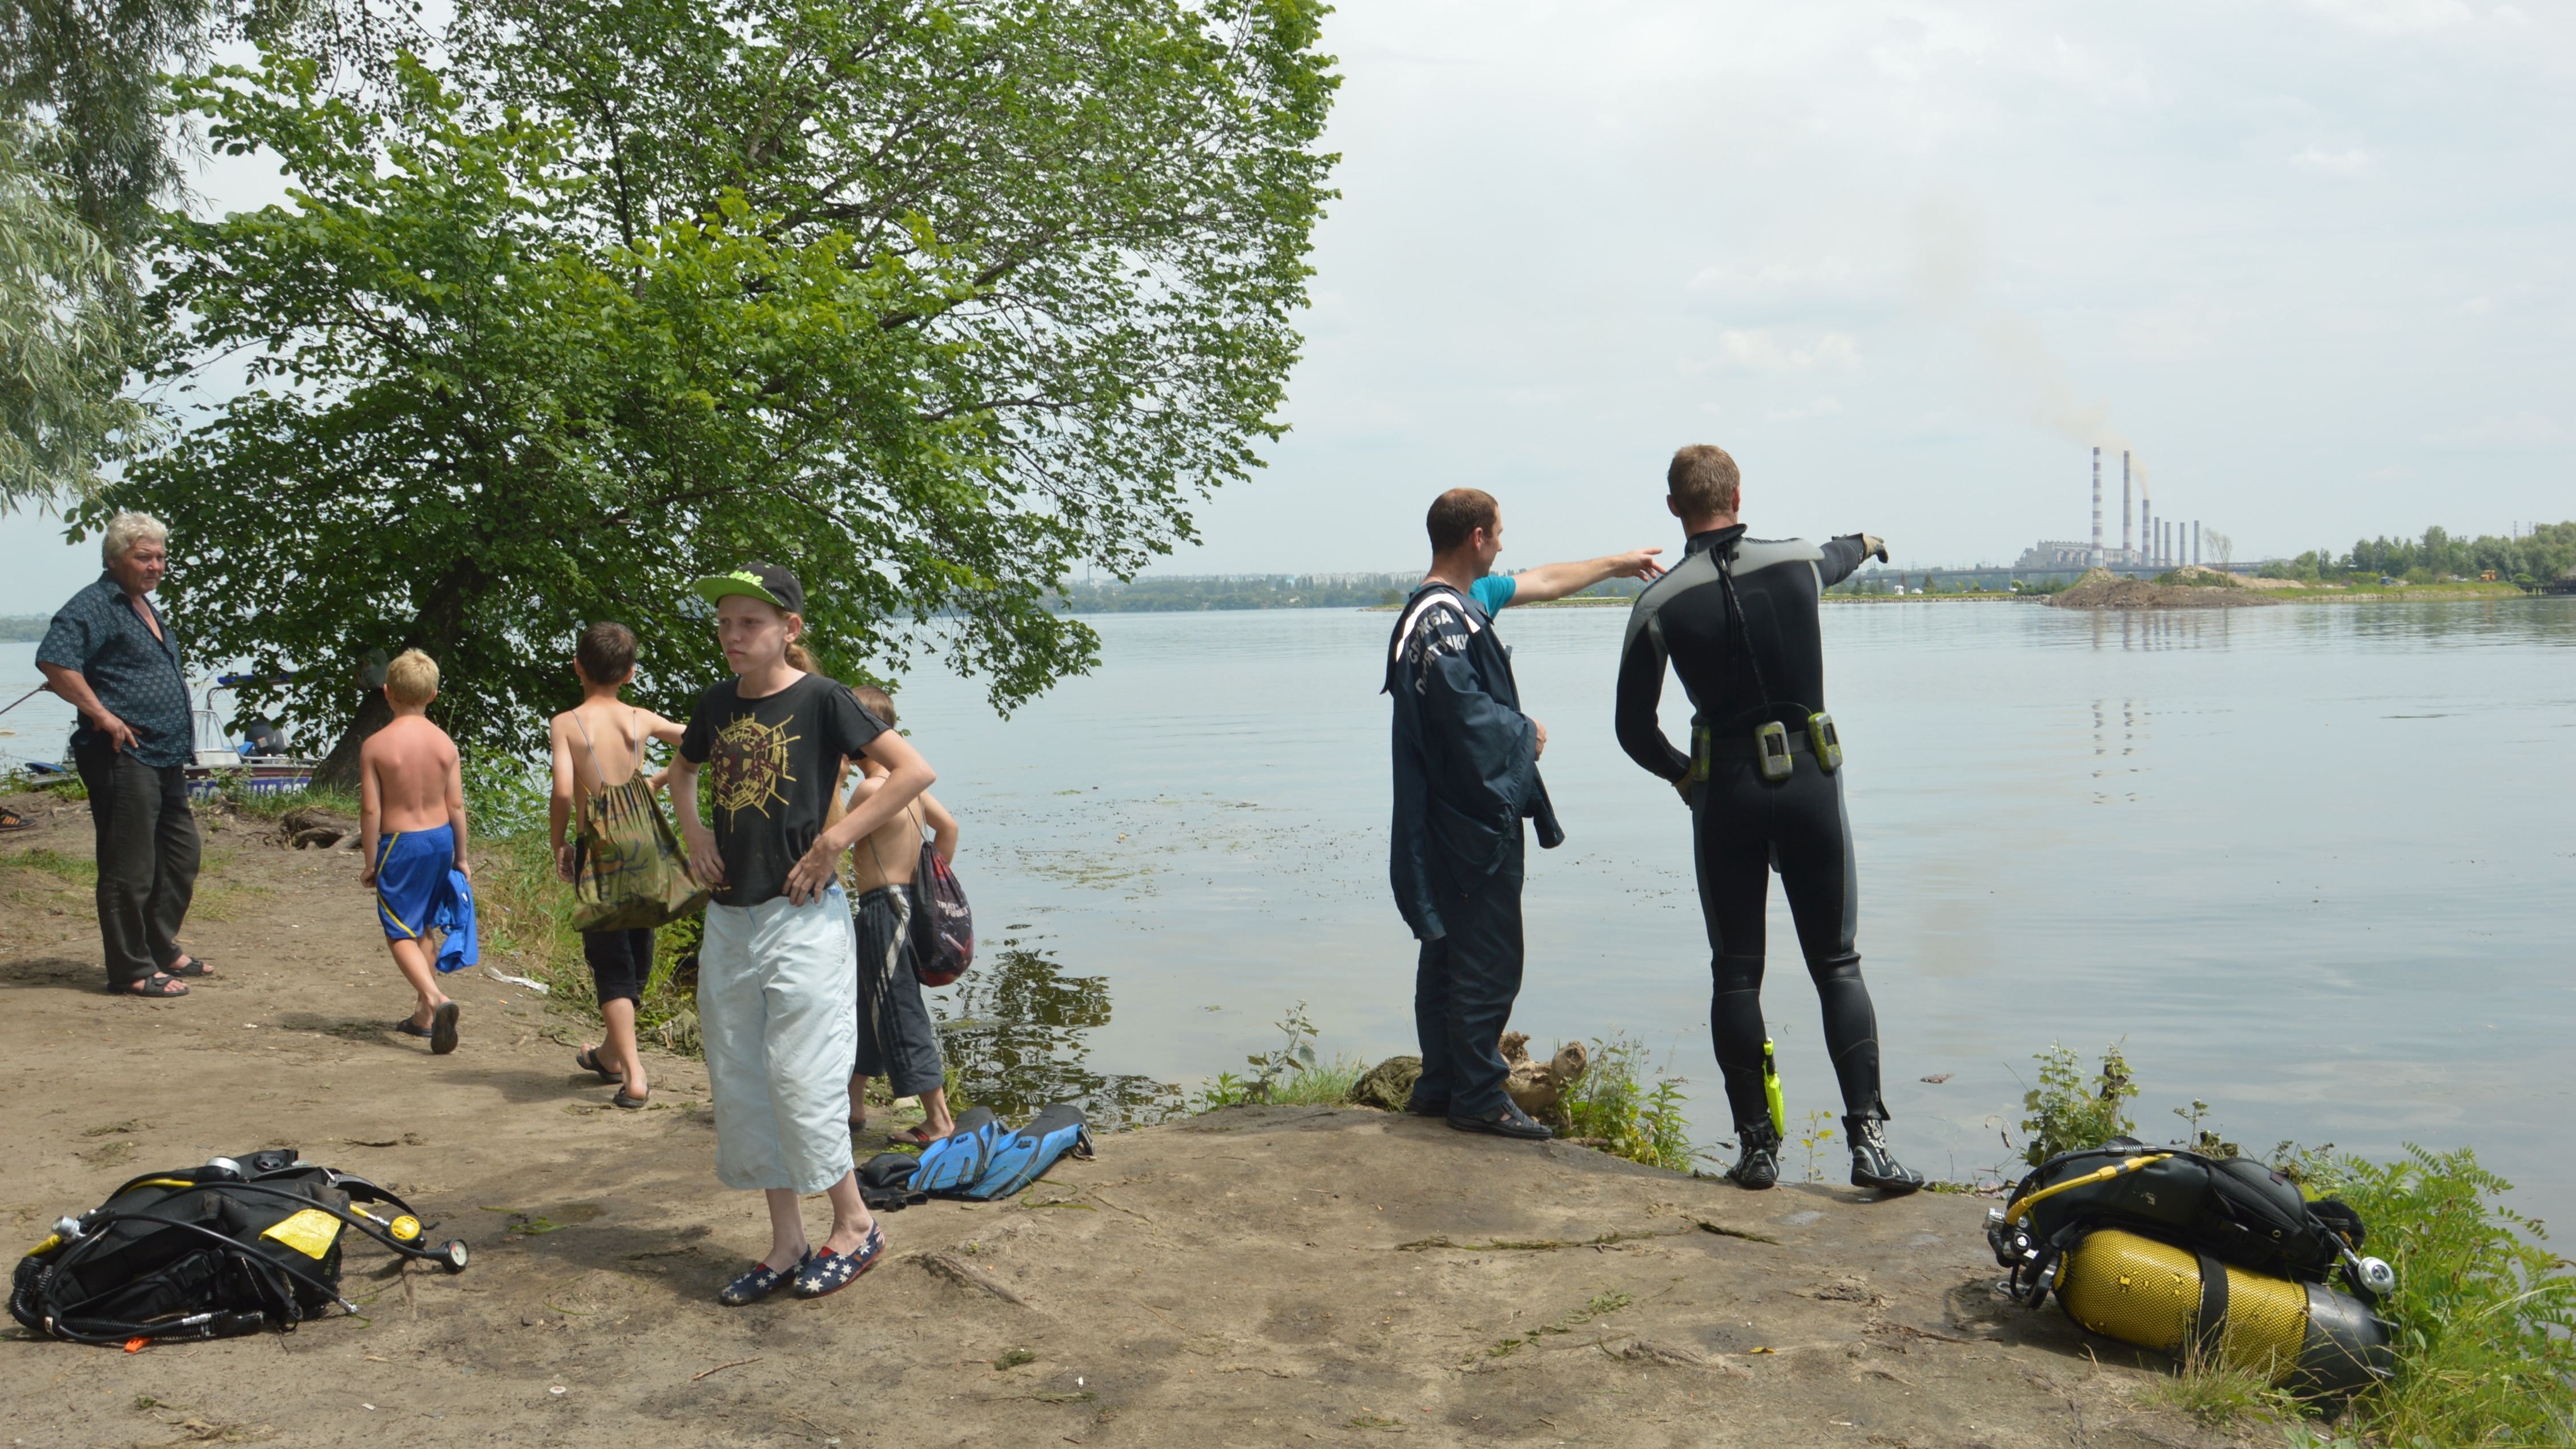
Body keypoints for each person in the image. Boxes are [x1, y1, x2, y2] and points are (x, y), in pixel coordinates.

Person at [1611, 444, 1921, 1194]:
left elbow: (1631, 727)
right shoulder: (1796, 560)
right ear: (1739, 492)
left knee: (1737, 975)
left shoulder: (1657, 603)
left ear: (1674, 507)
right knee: (1838, 965)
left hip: (1727, 795)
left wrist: (1685, 779)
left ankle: (1757, 1149)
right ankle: (1870, 1145)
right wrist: (1872, 539)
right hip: (1812, 783)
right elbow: (1843, 554)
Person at [665, 562, 936, 1305]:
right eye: (724, 622)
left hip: (801, 922)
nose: (731, 635)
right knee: (745, 1081)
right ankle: (786, 1241)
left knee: (800, 1074)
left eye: (748, 622)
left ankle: (855, 1226)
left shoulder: (823, 700)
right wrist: (694, 836)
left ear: (790, 628)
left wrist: (835, 841)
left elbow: (913, 771)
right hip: (729, 918)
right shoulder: (717, 703)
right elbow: (681, 774)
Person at [1386, 487, 1663, 1140]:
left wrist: (1617, 563)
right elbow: (1463, 721)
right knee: (1486, 956)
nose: (1506, 545)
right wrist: (1522, 731)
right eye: (1500, 533)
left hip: (1446, 818)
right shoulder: (1442, 621)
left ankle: (1443, 1084)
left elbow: (1545, 580)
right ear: (1477, 538)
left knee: (1447, 953)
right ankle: (1479, 1095)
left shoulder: (1454, 605)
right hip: (1467, 824)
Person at [37, 512, 208, 997]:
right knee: (128, 866)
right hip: (122, 754)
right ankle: (131, 968)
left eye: (160, 557)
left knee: (180, 856)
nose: (156, 566)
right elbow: (53, 658)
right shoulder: (94, 603)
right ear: (115, 560)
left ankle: (159, 946)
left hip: (165, 754)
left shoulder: (143, 606)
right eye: (144, 557)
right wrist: (101, 714)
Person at [548, 621, 689, 1109]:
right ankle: (611, 1055)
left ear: (578, 667)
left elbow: (565, 791)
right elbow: (698, 744)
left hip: (601, 845)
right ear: (630, 674)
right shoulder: (640, 717)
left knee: (609, 958)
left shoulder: (567, 722)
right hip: (646, 843)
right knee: (637, 946)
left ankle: (634, 1075)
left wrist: (560, 842)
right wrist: (657, 782)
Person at [836, 685, 961, 1144]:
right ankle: (853, 1102)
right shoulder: (903, 786)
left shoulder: (869, 789)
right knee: (865, 1003)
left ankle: (939, 1121)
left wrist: (833, 775)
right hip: (906, 902)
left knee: (899, 1009)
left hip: (883, 908)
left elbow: (831, 839)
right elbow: (948, 827)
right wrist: (929, 880)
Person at [357, 649, 470, 1054]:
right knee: (421, 923)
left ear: (387, 692)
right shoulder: (445, 743)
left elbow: (371, 809)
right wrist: (461, 857)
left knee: (398, 930)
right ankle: (425, 1015)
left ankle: (436, 998)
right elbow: (457, 806)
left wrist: (371, 862)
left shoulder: (376, 745)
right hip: (440, 840)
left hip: (401, 845)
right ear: (434, 695)